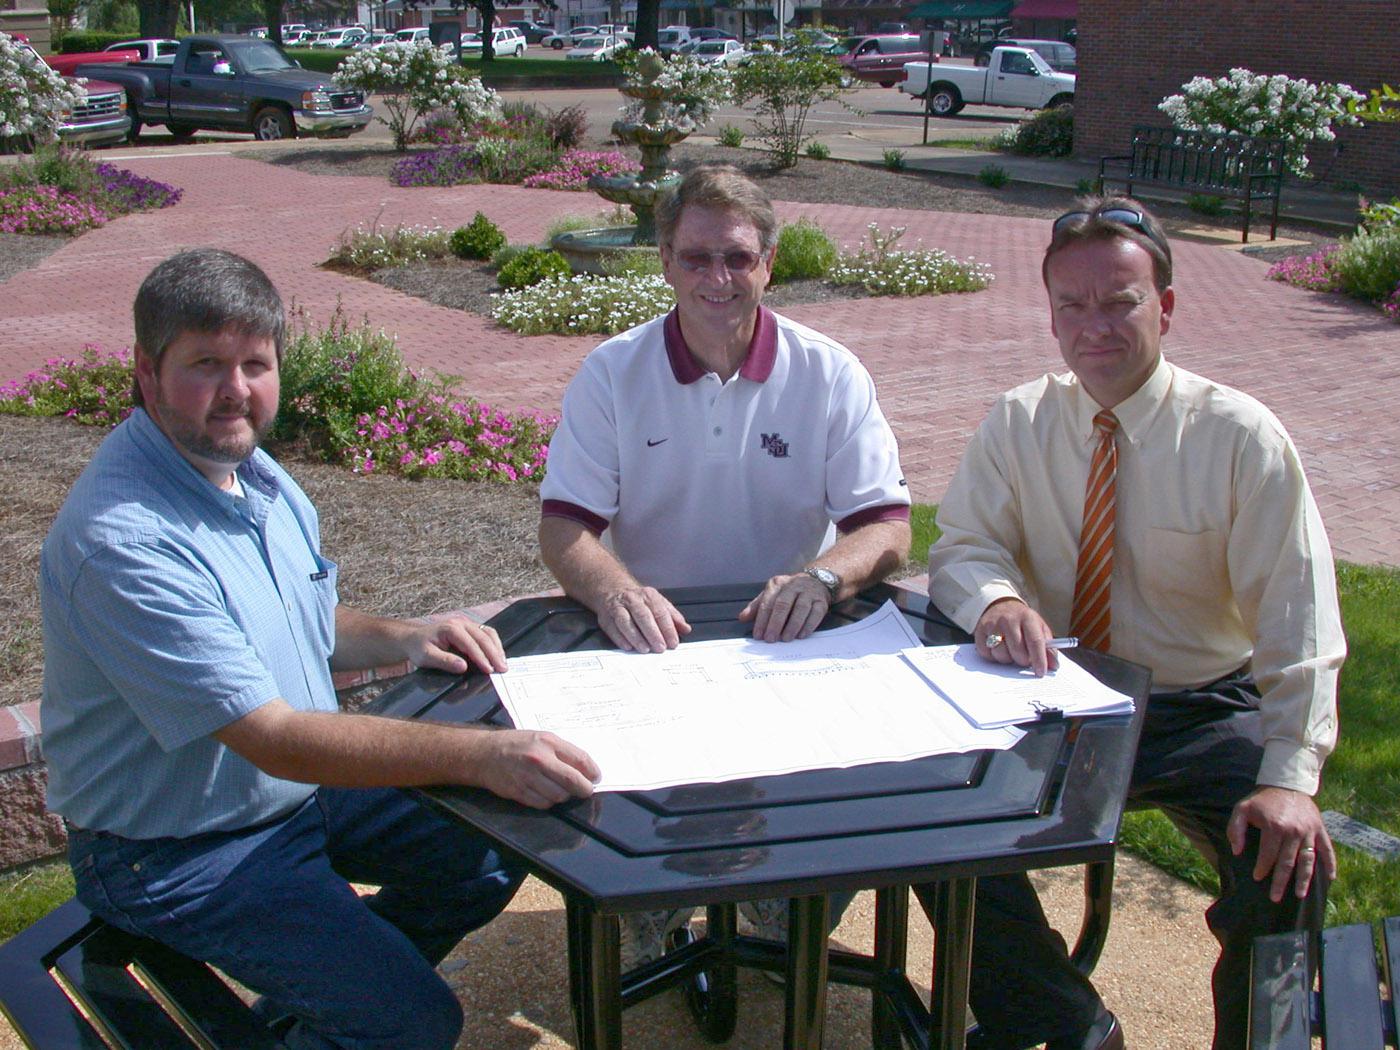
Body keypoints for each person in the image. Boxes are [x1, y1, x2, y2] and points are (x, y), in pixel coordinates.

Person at [40, 248, 600, 1050]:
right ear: (146, 369)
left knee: (490, 847)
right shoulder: (125, 542)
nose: (235, 390)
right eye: (205, 364)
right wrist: (479, 754)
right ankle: (360, 1011)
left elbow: (302, 616)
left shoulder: (251, 474)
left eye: (254, 364)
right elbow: (272, 736)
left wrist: (407, 635)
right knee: (414, 1026)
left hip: (282, 799)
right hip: (171, 851)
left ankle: (324, 1005)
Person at [925, 198, 1346, 1050]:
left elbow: (1298, 616)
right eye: (1072, 306)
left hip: (1195, 703)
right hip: (1052, 697)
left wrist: (1291, 777)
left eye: (1119, 300)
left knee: (1286, 859)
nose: (1095, 326)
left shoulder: (1239, 437)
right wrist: (997, 600)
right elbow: (961, 547)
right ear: (1049, 315)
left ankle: (1262, 1043)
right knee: (929, 818)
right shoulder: (1020, 421)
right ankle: (1063, 1023)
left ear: (1167, 306)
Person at [538, 164, 912, 963]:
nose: (718, 277)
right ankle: (657, 911)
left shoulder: (828, 372)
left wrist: (824, 577)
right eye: (697, 257)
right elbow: (564, 525)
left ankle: (784, 912)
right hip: (653, 638)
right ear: (665, 261)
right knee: (633, 851)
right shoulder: (613, 372)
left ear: (769, 262)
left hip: (790, 636)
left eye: (738, 257)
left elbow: (886, 525)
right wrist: (614, 591)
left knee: (864, 790)